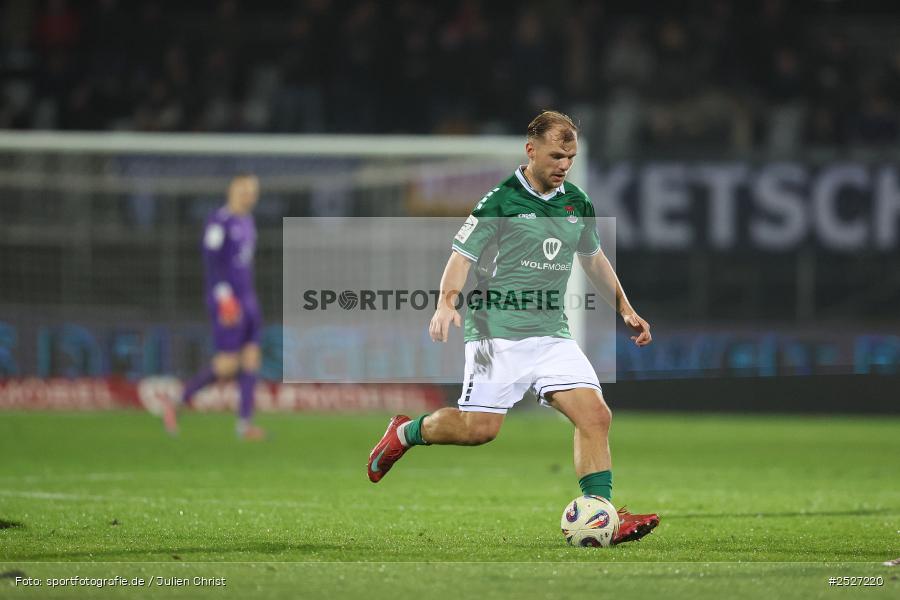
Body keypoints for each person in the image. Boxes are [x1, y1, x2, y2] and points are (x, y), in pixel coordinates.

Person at [366, 111, 659, 544]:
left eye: (570, 157)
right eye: (556, 155)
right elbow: (461, 258)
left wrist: (624, 308)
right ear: (531, 149)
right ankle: (407, 432)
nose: (564, 165)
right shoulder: (499, 201)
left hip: (550, 334)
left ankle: (603, 517)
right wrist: (446, 305)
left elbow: (593, 258)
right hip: (495, 332)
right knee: (478, 431)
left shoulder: (576, 202)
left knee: (595, 416)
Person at [163, 174, 266, 440]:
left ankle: (245, 425)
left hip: (248, 297)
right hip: (227, 299)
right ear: (232, 191)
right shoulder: (218, 222)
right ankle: (176, 401)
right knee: (227, 365)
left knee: (252, 357)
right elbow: (211, 261)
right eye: (244, 190)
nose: (249, 196)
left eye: (253, 191)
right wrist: (223, 297)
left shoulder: (248, 221)